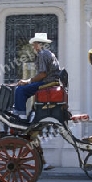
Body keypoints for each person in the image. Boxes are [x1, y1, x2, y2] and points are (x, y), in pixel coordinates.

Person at [14, 33, 60, 170]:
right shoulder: (48, 54)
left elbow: (42, 74)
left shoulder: (42, 54)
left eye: (35, 44)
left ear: (39, 44)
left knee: (20, 90)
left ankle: (20, 115)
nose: (33, 46)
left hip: (47, 83)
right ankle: (43, 162)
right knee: (33, 136)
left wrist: (27, 81)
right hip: (50, 82)